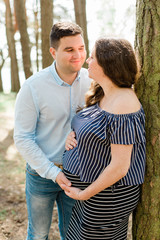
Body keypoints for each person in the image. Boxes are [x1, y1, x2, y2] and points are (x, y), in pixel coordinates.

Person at [61, 38, 146, 240]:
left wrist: (84, 194)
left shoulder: (124, 103)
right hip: (92, 194)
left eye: (92, 57)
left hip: (107, 198)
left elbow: (119, 167)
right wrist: (72, 137)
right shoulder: (105, 93)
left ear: (107, 64)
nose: (86, 60)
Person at [14, 22, 91, 240]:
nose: (78, 55)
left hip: (78, 174)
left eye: (81, 48)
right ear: (53, 51)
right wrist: (52, 172)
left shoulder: (92, 81)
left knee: (73, 235)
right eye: (69, 50)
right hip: (41, 174)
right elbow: (22, 138)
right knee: (38, 234)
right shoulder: (32, 87)